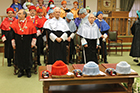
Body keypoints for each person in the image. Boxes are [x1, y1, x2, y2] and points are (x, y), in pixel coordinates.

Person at [11, 9, 37, 78]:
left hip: (27, 42)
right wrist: (13, 43)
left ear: (24, 15)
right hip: (18, 42)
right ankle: (21, 70)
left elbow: (34, 35)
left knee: (27, 55)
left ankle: (28, 70)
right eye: (18, 13)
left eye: (19, 13)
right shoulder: (15, 22)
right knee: (19, 56)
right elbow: (12, 35)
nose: (18, 15)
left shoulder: (30, 23)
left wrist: (33, 43)